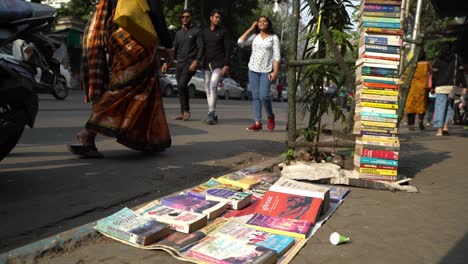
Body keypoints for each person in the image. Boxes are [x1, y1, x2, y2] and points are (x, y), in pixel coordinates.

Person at [68, 0, 173, 158]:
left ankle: (148, 139)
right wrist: (168, 45)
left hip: (116, 35)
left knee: (136, 87)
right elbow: (156, 13)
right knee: (126, 89)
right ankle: (88, 133)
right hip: (136, 38)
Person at [238, 16, 280, 131]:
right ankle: (258, 123)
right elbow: (240, 42)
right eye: (259, 21)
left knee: (264, 96)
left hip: (266, 70)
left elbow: (276, 55)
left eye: (264, 21)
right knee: (256, 97)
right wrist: (251, 28)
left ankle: (270, 116)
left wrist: (275, 71)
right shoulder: (254, 37)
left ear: (268, 24)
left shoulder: (273, 38)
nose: (262, 23)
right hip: (253, 69)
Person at [162, 9, 204, 121]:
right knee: (181, 88)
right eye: (183, 17)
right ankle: (183, 112)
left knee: (181, 85)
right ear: (181, 19)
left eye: (188, 17)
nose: (185, 18)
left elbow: (201, 48)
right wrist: (166, 62)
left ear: (191, 18)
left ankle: (186, 111)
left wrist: (196, 61)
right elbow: (173, 50)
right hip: (179, 64)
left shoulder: (197, 31)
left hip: (190, 63)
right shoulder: (178, 33)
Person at [202, 9, 231, 125]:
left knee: (213, 86)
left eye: (219, 18)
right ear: (211, 18)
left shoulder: (224, 32)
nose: (218, 19)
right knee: (207, 88)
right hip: (206, 64)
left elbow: (228, 49)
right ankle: (212, 113)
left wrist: (226, 65)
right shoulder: (204, 32)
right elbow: (202, 48)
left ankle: (211, 112)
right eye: (216, 17)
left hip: (219, 64)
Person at [432, 43, 467, 136]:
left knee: (440, 108)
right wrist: (464, 86)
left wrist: (432, 86)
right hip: (453, 87)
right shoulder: (457, 59)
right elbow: (461, 74)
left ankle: (439, 130)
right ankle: (445, 127)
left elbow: (434, 75)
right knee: (450, 107)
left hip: (440, 87)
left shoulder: (438, 60)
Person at [404, 54, 432, 131]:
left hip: (413, 87)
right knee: (422, 105)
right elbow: (431, 75)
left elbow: (407, 76)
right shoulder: (428, 64)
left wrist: (404, 86)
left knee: (411, 106)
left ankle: (411, 125)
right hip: (423, 88)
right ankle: (420, 120)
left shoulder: (412, 64)